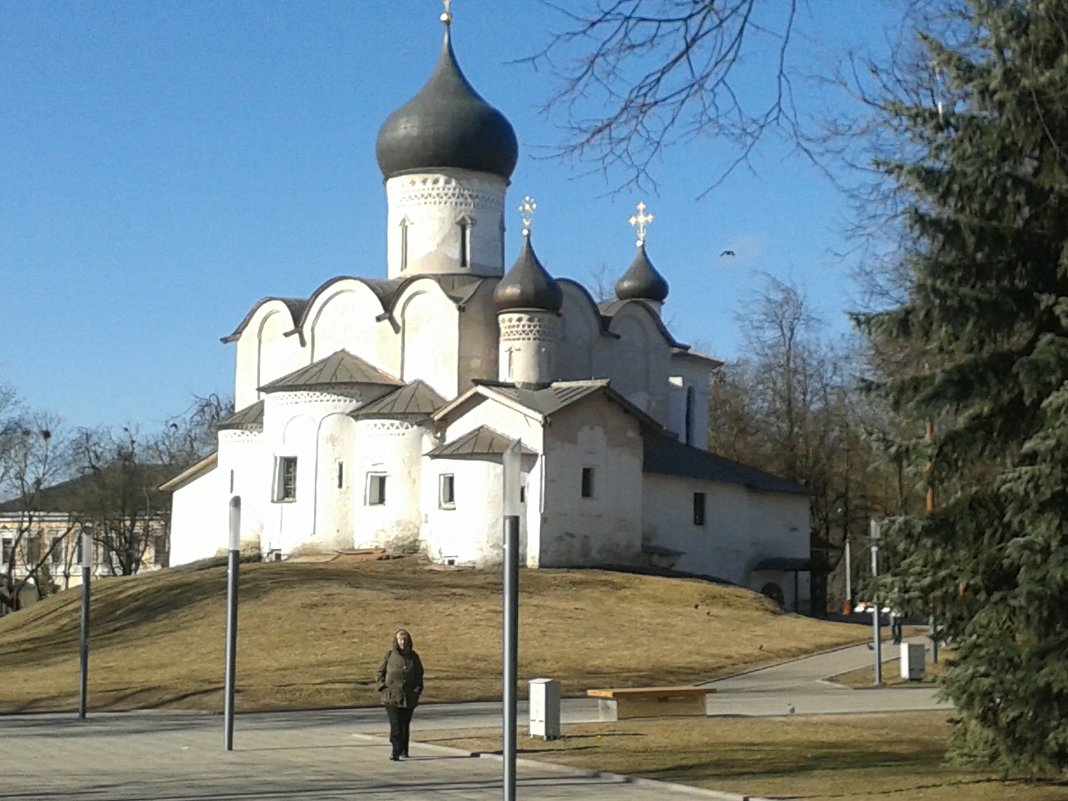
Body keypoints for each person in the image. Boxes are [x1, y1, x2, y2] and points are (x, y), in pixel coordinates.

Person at [376, 628, 424, 761]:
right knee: (396, 725)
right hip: (391, 697)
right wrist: (382, 687)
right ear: (396, 641)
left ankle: (404, 749)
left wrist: (417, 689)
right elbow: (379, 672)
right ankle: (395, 750)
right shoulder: (389, 655)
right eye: (400, 639)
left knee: (404, 724)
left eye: (404, 639)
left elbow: (419, 674)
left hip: (408, 696)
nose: (402, 642)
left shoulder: (414, 657)